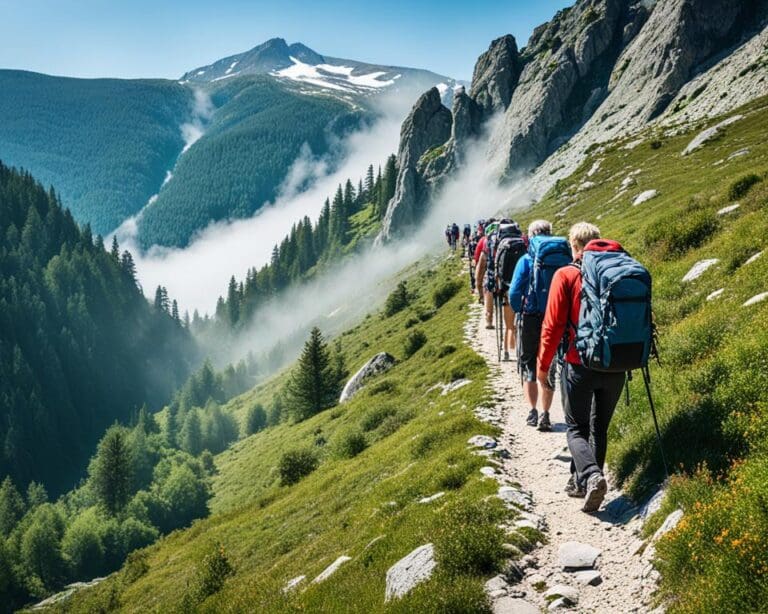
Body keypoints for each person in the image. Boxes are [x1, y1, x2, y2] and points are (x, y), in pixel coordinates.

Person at [537, 222, 626, 513]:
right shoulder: (618, 272)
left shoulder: (566, 274)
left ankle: (590, 476)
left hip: (579, 362)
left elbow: (552, 326)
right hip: (616, 363)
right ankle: (582, 484)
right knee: (599, 428)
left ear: (575, 247)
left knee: (576, 429)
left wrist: (543, 366)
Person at [508, 219, 567, 432]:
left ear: (530, 236)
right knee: (549, 362)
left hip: (531, 316)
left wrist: (519, 310)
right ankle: (546, 413)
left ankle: (532, 411)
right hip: (556, 317)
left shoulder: (526, 259)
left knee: (529, 364)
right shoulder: (562, 258)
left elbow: (515, 291)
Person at [474, 218, 497, 328]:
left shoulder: (484, 240)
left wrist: (478, 285)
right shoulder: (510, 238)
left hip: (492, 270)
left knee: (488, 286)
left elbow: (478, 259)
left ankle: (489, 319)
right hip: (509, 273)